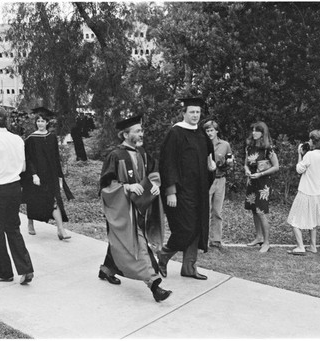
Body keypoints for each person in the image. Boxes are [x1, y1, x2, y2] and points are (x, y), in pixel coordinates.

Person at [98, 114, 171, 302]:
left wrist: (155, 183)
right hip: (123, 209)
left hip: (142, 207)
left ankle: (106, 270)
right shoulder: (115, 155)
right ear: (125, 135)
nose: (141, 134)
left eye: (141, 131)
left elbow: (153, 171)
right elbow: (105, 184)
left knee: (120, 242)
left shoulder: (142, 153)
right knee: (137, 245)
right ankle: (154, 285)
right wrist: (125, 187)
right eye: (137, 131)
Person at [158, 97, 216, 280]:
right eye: (191, 112)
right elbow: (168, 163)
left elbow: (208, 157)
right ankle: (163, 255)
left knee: (197, 227)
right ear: (184, 113)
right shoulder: (175, 133)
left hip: (199, 190)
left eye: (198, 112)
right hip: (181, 191)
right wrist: (170, 191)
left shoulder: (200, 133)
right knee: (187, 228)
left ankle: (189, 267)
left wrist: (212, 168)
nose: (195, 115)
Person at [0, 106, 34, 284]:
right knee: (13, 228)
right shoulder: (17, 139)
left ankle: (4, 271)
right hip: (14, 188)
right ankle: (25, 269)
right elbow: (23, 167)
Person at [23, 108, 73, 240]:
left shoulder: (51, 137)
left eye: (42, 121)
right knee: (33, 199)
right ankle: (30, 223)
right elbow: (28, 159)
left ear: (47, 123)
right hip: (36, 175)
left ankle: (60, 230)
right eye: (38, 121)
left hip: (50, 174)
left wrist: (60, 176)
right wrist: (33, 174)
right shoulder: (31, 139)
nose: (40, 123)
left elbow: (56, 157)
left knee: (54, 200)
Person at [286, 130, 320, 255]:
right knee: (313, 221)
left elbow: (299, 169)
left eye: (310, 139)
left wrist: (299, 154)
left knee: (294, 219)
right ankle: (313, 246)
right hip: (318, 192)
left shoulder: (310, 155)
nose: (309, 141)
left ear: (314, 141)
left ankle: (300, 246)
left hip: (305, 191)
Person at [243, 121, 279, 253]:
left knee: (261, 211)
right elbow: (245, 163)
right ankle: (258, 237)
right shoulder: (249, 147)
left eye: (257, 131)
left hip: (263, 183)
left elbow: (276, 166)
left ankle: (267, 242)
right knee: (253, 210)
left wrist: (261, 174)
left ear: (263, 133)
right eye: (252, 130)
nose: (253, 133)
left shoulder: (268, 149)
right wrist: (247, 170)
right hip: (252, 181)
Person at [204, 120, 234, 248]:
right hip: (206, 180)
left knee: (217, 211)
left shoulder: (225, 144)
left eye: (211, 130)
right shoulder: (202, 144)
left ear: (216, 131)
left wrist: (229, 163)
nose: (209, 133)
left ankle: (216, 240)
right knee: (204, 210)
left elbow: (230, 162)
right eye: (207, 131)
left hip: (220, 179)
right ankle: (203, 239)